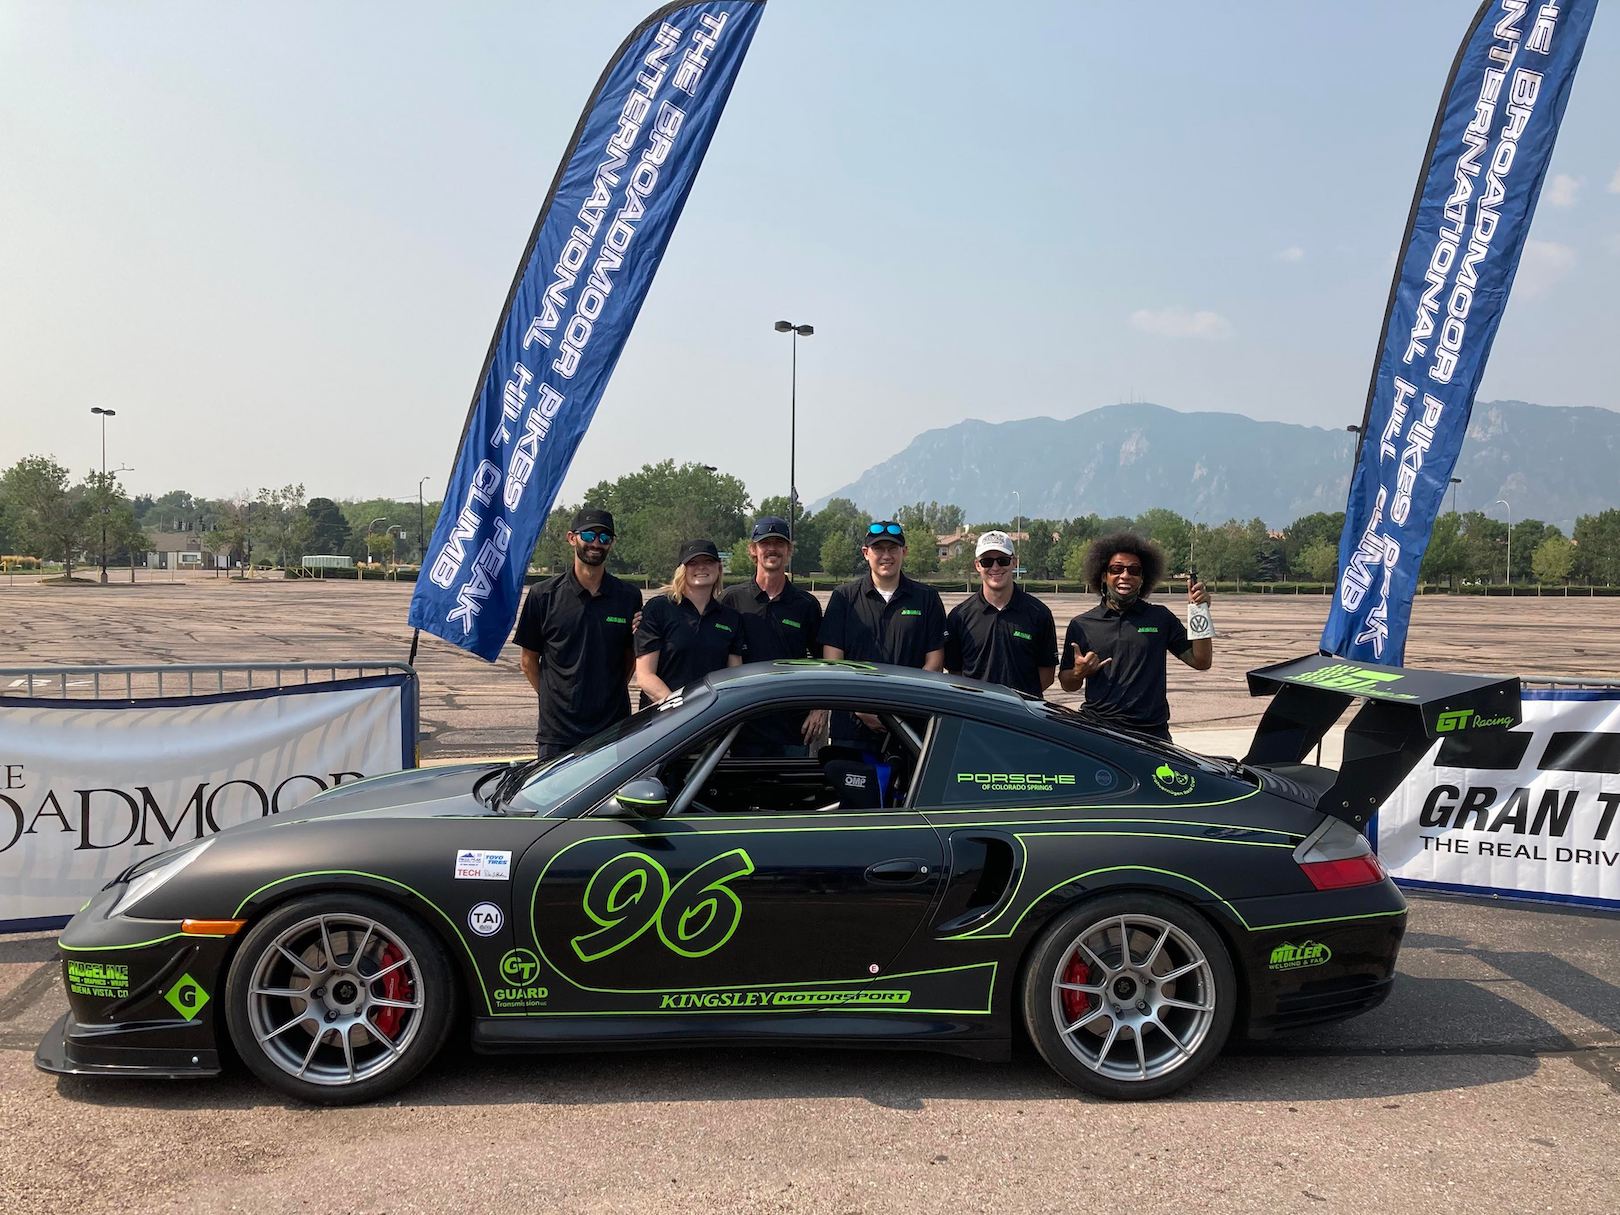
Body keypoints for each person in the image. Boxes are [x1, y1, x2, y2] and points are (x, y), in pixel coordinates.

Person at [1056, 531, 1213, 741]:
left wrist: (1200, 611)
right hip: (1099, 732)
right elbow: (1067, 684)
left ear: (1142, 578)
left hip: (1151, 734)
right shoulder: (1082, 624)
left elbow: (1201, 661)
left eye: (1134, 570)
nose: (1125, 575)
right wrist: (1078, 673)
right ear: (1103, 575)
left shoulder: (1160, 618)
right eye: (1116, 569)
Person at [513, 508, 642, 760]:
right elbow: (528, 661)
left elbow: (630, 659)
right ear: (572, 538)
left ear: (612, 543)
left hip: (611, 727)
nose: (596, 544)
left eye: (604, 538)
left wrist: (605, 695)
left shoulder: (628, 597)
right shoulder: (543, 595)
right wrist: (554, 699)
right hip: (558, 732)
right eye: (589, 536)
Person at [821, 519, 946, 747]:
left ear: (904, 552)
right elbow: (833, 662)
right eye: (878, 549)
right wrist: (860, 707)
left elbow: (934, 663)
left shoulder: (927, 598)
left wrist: (898, 711)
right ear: (866, 553)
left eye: (893, 548)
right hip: (852, 728)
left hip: (910, 729)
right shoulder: (843, 598)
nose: (886, 556)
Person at [720, 515, 825, 753]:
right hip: (742, 726)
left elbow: (824, 661)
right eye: (765, 543)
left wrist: (820, 708)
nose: (772, 549)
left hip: (792, 728)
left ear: (789, 551)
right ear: (753, 549)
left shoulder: (805, 604)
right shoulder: (731, 599)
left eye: (779, 543)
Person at [944, 530, 1057, 697]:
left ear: (1014, 562)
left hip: (1022, 710)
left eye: (1003, 560)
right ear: (977, 565)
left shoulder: (1039, 613)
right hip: (975, 710)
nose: (995, 567)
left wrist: (1018, 699)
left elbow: (1047, 673)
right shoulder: (959, 616)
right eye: (987, 561)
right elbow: (954, 671)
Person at [634, 539, 746, 708]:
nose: (701, 567)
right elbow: (645, 677)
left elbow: (733, 678)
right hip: (663, 716)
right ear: (681, 569)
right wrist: (680, 709)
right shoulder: (659, 609)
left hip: (711, 715)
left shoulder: (731, 618)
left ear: (719, 568)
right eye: (693, 563)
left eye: (708, 561)